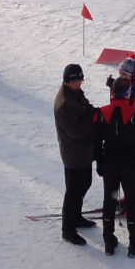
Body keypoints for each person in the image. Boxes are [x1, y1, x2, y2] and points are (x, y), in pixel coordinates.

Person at [95, 78, 135, 257]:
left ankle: (108, 242)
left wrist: (99, 162)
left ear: (113, 93)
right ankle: (134, 243)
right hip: (130, 167)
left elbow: (95, 141)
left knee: (109, 202)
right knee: (132, 204)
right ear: (128, 93)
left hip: (110, 165)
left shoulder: (102, 113)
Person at [54, 63, 100, 245]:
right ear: (72, 81)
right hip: (74, 154)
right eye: (80, 78)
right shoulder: (65, 103)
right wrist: (96, 124)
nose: (83, 81)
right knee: (73, 191)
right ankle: (68, 229)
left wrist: (98, 113)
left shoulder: (74, 93)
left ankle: (77, 217)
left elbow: (86, 108)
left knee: (84, 184)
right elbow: (77, 131)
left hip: (83, 151)